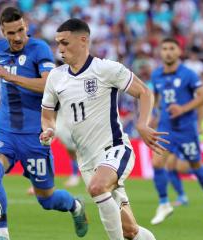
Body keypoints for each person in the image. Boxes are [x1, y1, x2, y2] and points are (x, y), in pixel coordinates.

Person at [0, 8, 87, 240]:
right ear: (2, 31)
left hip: (35, 135)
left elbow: (48, 86)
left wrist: (10, 76)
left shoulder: (39, 49)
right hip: (5, 129)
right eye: (11, 33)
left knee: (47, 199)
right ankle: (3, 234)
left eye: (20, 30)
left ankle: (75, 206)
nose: (17, 37)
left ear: (25, 26)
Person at [40, 18, 164, 240]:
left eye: (65, 43)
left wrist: (142, 123)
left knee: (97, 188)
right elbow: (48, 116)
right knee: (130, 230)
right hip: (87, 162)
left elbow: (144, 92)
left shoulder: (106, 69)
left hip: (114, 149)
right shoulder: (56, 78)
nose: (60, 49)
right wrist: (48, 130)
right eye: (58, 43)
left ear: (83, 40)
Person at [150, 38, 203, 225]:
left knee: (196, 167)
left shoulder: (189, 74)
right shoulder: (156, 75)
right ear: (160, 52)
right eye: (164, 48)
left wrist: (183, 110)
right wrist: (154, 115)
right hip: (166, 128)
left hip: (185, 129)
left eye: (172, 48)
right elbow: (155, 99)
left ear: (179, 52)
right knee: (157, 162)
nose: (168, 52)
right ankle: (164, 203)